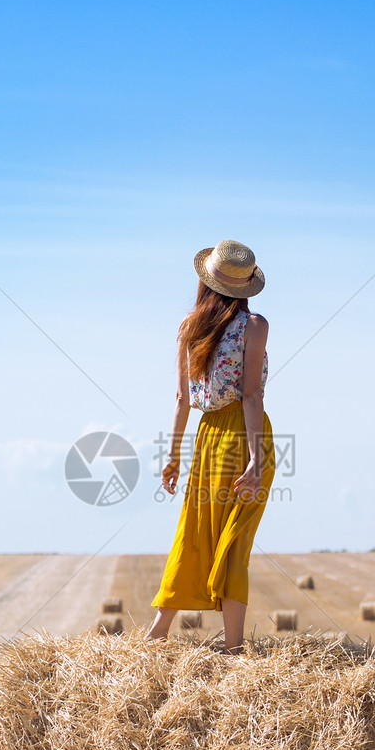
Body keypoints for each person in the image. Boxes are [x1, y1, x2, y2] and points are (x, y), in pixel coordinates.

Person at [145, 240, 275, 654]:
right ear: (247, 286)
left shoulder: (189, 326)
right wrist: (256, 459)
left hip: (206, 437)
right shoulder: (254, 326)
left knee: (195, 530)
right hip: (243, 431)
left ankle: (157, 633)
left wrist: (173, 456)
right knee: (234, 537)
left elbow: (182, 400)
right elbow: (251, 394)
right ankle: (234, 648)